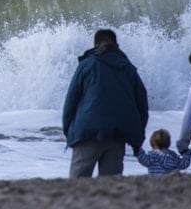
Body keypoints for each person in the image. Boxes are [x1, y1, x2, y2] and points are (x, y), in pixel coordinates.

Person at [62, 29, 149, 178]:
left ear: (95, 45)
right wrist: (137, 136)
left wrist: (68, 131)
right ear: (117, 45)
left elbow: (71, 99)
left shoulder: (86, 64)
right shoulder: (128, 68)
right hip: (117, 135)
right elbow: (142, 104)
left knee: (77, 184)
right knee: (111, 186)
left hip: (87, 133)